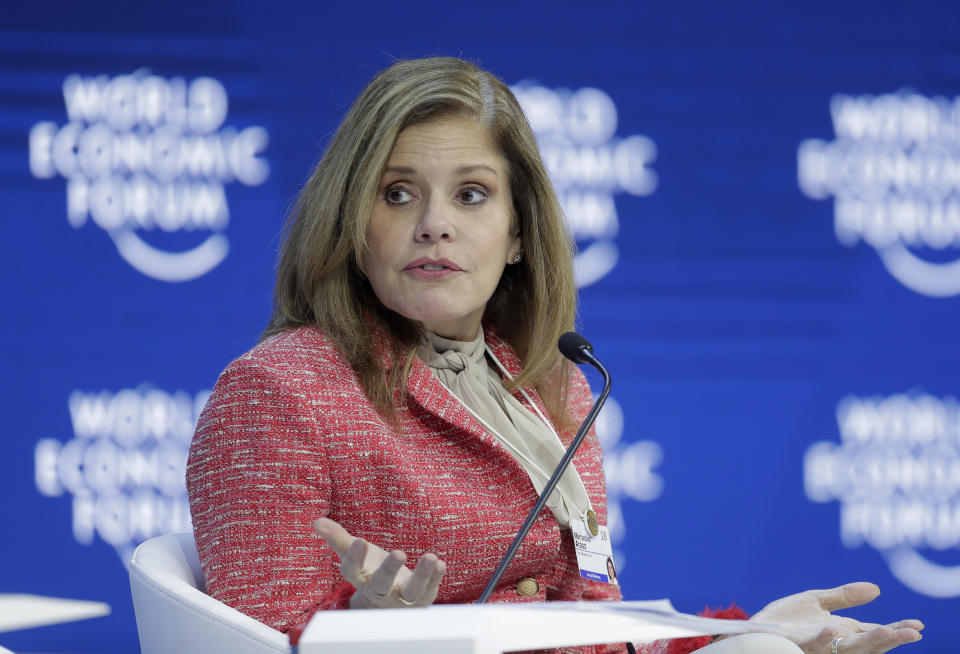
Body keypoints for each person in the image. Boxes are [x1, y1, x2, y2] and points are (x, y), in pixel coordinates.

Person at [186, 57, 923, 654]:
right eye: (399, 194)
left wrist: (741, 631)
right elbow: (247, 642)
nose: (435, 224)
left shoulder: (554, 387)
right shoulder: (278, 392)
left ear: (515, 235)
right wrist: (370, 634)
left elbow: (598, 630)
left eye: (471, 195)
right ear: (353, 225)